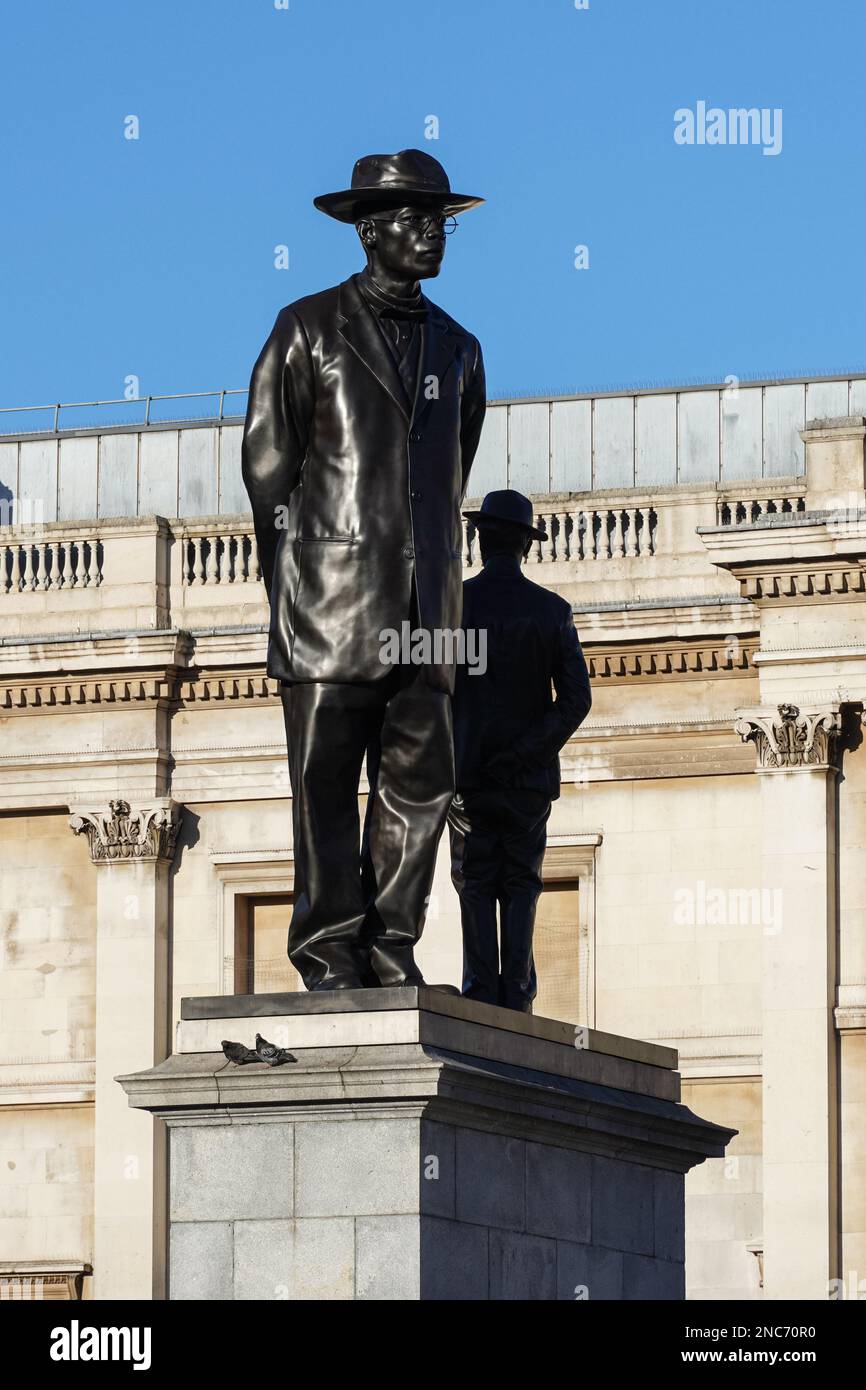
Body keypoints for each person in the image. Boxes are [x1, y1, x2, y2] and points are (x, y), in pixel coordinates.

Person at [242, 150, 486, 991]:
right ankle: (328, 946)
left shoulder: (460, 349)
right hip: (331, 603)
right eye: (416, 222)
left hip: (427, 612)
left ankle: (392, 943)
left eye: (439, 222)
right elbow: (269, 468)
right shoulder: (307, 326)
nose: (432, 236)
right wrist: (294, 588)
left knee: (418, 786)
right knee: (323, 781)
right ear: (369, 231)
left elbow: (450, 468)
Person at [448, 490, 592, 1012]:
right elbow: (576, 698)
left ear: (481, 540)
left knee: (475, 881)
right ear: (525, 547)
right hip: (526, 779)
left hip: (468, 777)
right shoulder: (552, 612)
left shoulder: (453, 607)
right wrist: (528, 751)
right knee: (522, 882)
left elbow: (429, 690)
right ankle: (518, 994)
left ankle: (481, 990)